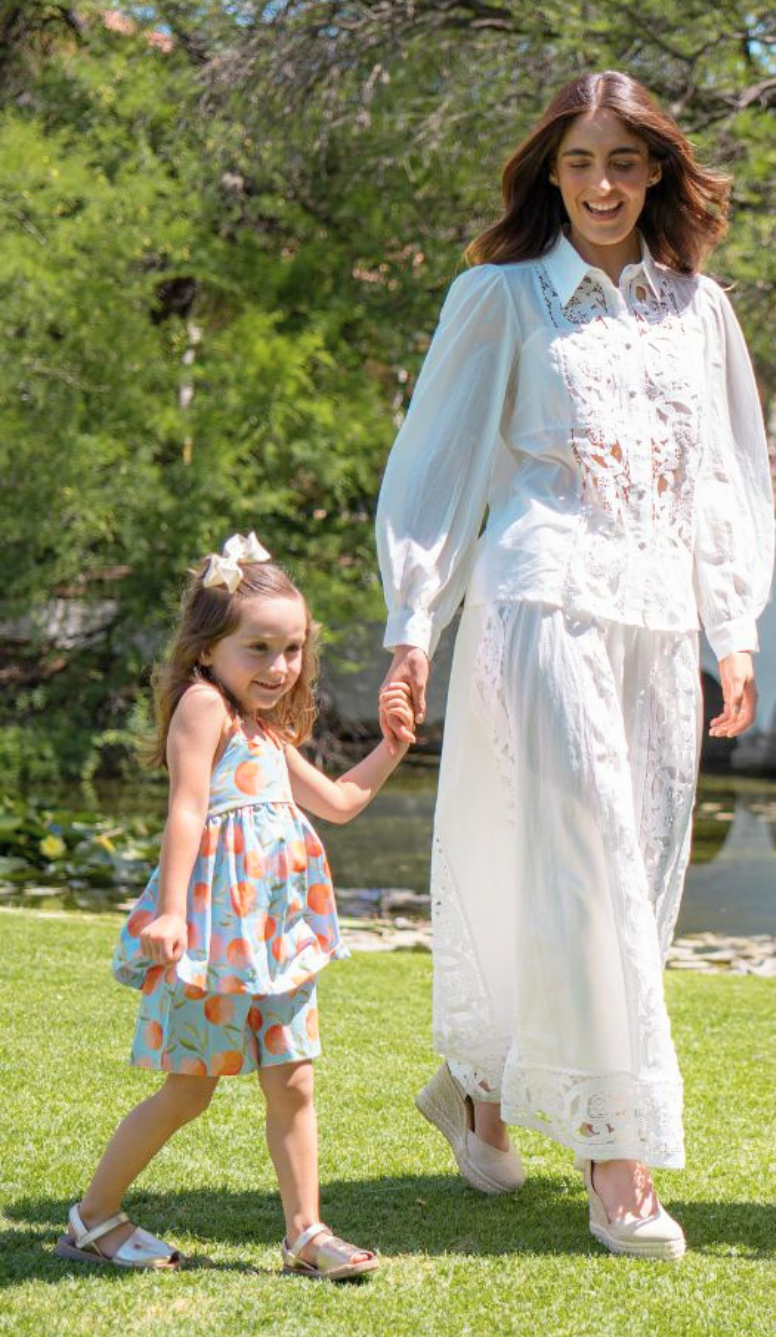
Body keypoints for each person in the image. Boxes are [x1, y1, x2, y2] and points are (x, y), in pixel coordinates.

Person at [376, 72, 774, 1259]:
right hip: (540, 600)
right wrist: (412, 624)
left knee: (628, 877)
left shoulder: (698, 312)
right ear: (550, 174)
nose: (603, 185)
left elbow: (728, 477)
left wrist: (733, 623)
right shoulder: (498, 299)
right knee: (592, 864)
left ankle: (481, 1097)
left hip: (655, 620)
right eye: (581, 163)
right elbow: (436, 468)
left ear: (657, 172)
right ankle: (621, 1165)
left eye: (625, 162)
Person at [55, 532, 416, 1278]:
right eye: (259, 648)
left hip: (275, 940)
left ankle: (306, 1234)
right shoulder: (202, 707)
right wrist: (173, 913)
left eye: (292, 649)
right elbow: (188, 809)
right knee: (189, 1091)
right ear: (207, 648)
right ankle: (92, 1220)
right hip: (212, 939)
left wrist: (393, 746)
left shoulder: (268, 734)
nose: (280, 667)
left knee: (295, 1080)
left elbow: (343, 803)